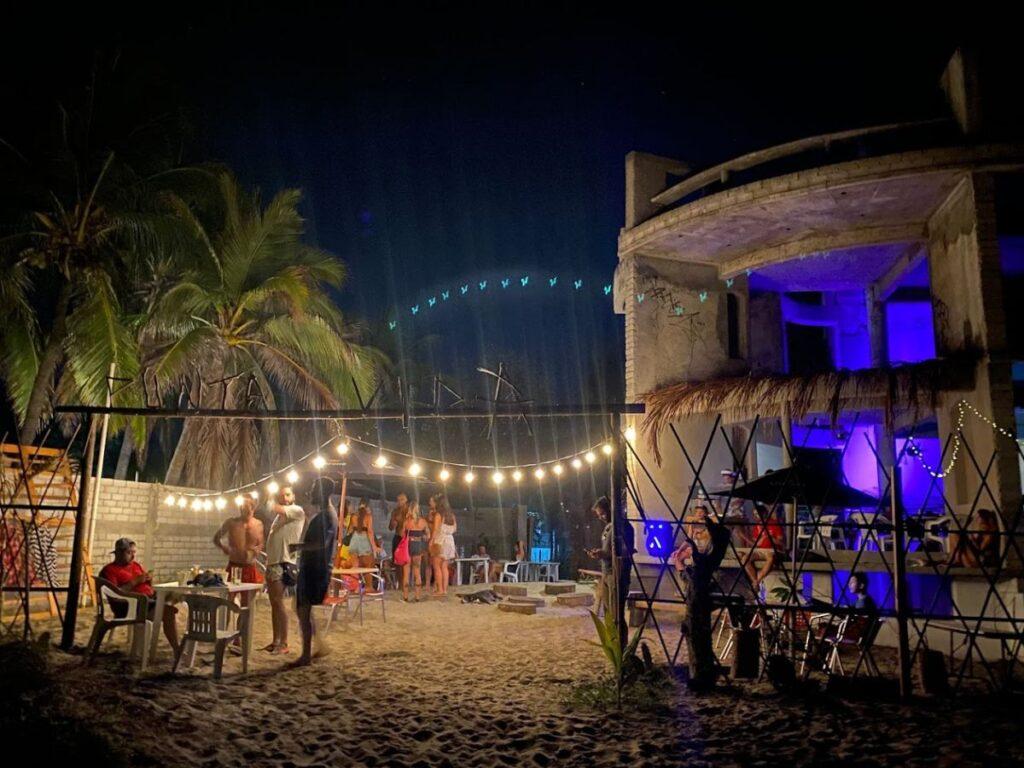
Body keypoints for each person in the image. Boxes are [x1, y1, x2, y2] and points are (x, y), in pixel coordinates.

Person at [98, 538, 179, 656]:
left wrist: (148, 581)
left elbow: (144, 584)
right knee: (169, 612)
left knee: (174, 596)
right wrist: (135, 581)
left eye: (134, 553)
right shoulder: (109, 570)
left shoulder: (135, 565)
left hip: (148, 600)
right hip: (130, 607)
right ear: (119, 553)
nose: (133, 556)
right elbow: (115, 594)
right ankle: (177, 650)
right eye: (129, 553)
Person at [289, 480, 338, 667]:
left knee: (303, 609)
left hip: (315, 570)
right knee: (302, 609)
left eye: (314, 489)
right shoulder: (325, 515)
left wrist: (298, 546)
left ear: (323, 493)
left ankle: (306, 655)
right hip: (313, 568)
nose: (311, 493)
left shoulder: (327, 516)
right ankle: (318, 646)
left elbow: (322, 543)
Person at [264, 486, 305, 654]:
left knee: (279, 602)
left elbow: (271, 506)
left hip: (283, 562)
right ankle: (276, 640)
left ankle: (284, 642)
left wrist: (269, 494)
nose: (284, 497)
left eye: (287, 494)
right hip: (274, 561)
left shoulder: (296, 510)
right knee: (274, 602)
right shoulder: (280, 517)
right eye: (282, 495)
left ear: (293, 496)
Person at [586, 497, 636, 626]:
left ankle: (620, 642)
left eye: (602, 513)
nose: (601, 517)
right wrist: (600, 553)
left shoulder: (624, 526)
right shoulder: (608, 527)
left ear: (611, 509)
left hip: (617, 574)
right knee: (608, 613)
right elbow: (609, 549)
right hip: (607, 572)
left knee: (616, 615)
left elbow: (625, 551)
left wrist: (605, 554)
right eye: (599, 515)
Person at [212, 497, 265, 600]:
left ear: (253, 508)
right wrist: (224, 547)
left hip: (249, 567)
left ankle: (243, 617)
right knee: (228, 601)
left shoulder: (258, 524)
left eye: (247, 506)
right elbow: (216, 538)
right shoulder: (231, 522)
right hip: (234, 567)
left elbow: (261, 543)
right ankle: (228, 616)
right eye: (242, 507)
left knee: (248, 604)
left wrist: (257, 550)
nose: (243, 509)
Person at [743, 503, 783, 591]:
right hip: (760, 550)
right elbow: (756, 544)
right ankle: (755, 581)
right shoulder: (757, 526)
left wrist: (770, 537)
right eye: (755, 514)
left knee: (770, 557)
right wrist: (744, 537)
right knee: (745, 558)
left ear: (764, 513)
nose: (756, 516)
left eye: (758, 514)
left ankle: (756, 582)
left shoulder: (774, 524)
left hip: (772, 550)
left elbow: (781, 542)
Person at [429, 493, 457, 596]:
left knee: (437, 566)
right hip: (450, 540)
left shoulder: (438, 515)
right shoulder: (451, 515)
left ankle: (440, 589)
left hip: (440, 540)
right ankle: (444, 589)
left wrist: (431, 541)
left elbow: (436, 530)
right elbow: (455, 529)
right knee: (444, 566)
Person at [402, 502, 430, 601]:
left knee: (406, 571)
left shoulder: (406, 522)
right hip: (418, 545)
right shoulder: (423, 522)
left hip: (408, 545)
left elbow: (402, 535)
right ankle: (417, 597)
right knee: (417, 571)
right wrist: (422, 536)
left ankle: (405, 597)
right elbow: (428, 536)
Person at [346, 499, 380, 578]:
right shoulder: (368, 517)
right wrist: (374, 547)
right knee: (368, 567)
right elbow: (370, 532)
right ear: (367, 507)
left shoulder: (353, 516)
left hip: (354, 540)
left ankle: (356, 586)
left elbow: (349, 531)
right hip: (364, 541)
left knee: (355, 566)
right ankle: (367, 587)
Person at [388, 492, 410, 563]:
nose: (400, 502)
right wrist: (393, 522)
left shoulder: (410, 511)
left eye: (402, 499)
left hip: (407, 538)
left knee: (407, 561)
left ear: (406, 500)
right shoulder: (395, 511)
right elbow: (390, 528)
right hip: (398, 537)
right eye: (398, 500)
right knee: (396, 560)